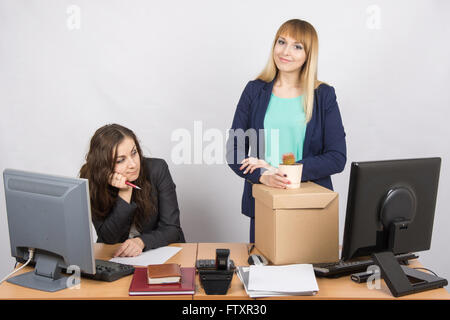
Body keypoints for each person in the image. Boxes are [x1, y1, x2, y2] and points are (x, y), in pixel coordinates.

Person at [226, 19, 347, 243]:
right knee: (264, 272)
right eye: (281, 42)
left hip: (310, 204)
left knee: (310, 275)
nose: (285, 51)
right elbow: (235, 151)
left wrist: (283, 172)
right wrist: (263, 176)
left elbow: (337, 157)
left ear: (308, 55)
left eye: (297, 46)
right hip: (264, 202)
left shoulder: (323, 95)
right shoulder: (254, 91)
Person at [80, 124, 185, 257]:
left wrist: (141, 242)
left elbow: (172, 229)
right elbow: (108, 238)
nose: (133, 164)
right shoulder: (91, 180)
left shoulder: (157, 169)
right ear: (103, 166)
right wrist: (125, 192)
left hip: (158, 252)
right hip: (117, 257)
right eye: (120, 160)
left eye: (134, 153)